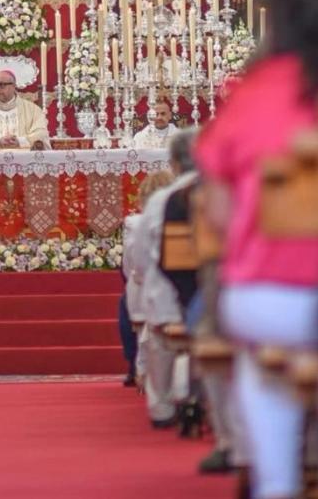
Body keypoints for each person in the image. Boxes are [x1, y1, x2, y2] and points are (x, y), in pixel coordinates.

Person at [197, 0, 318, 499]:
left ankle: (276, 483)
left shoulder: (251, 95)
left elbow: (216, 213)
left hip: (265, 296)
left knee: (265, 377)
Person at [129, 132, 199, 429]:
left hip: (165, 289)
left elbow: (140, 250)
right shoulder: (220, 191)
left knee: (162, 342)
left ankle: (162, 405)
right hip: (209, 292)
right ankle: (197, 400)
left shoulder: (159, 201)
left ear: (173, 163)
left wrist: (148, 277)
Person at [121, 169, 174, 419]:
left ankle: (141, 370)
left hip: (151, 290)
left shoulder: (137, 223)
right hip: (184, 290)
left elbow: (133, 265)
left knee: (134, 299)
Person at [0, 69, 50, 149]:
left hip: (23, 157)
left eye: (2, 85)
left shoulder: (33, 110)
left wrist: (20, 141)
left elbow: (41, 133)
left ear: (14, 86)